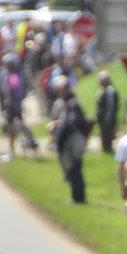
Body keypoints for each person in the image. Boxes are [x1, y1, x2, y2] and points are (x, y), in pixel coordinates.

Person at [48, 76, 88, 204]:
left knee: (76, 170)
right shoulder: (62, 103)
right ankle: (75, 197)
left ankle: (79, 198)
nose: (61, 92)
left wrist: (59, 125)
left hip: (73, 141)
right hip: (66, 142)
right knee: (71, 170)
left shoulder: (73, 103)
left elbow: (73, 122)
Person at [95, 71, 120, 154]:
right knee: (104, 137)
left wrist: (108, 119)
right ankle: (106, 151)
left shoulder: (110, 91)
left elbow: (111, 106)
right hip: (102, 120)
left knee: (107, 137)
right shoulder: (103, 90)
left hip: (107, 120)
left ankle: (108, 151)